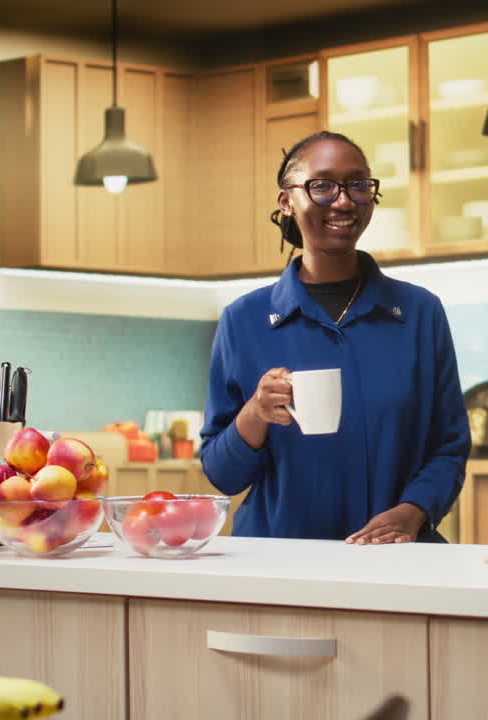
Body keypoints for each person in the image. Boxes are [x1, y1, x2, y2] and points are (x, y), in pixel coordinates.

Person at [199, 130, 471, 544]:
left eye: (359, 184)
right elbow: (223, 475)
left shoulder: (419, 313)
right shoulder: (244, 320)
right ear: (287, 201)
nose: (344, 200)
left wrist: (414, 511)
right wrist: (254, 413)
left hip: (395, 557)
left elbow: (449, 447)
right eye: (322, 186)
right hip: (281, 563)